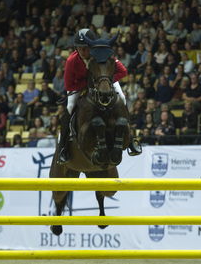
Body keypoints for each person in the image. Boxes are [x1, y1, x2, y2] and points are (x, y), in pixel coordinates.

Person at [58, 28, 141, 164]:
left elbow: (123, 71)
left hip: (105, 82)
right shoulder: (71, 61)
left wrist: (106, 80)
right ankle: (63, 147)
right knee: (70, 107)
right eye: (80, 49)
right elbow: (69, 85)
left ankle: (131, 140)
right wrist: (89, 84)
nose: (84, 52)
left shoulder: (103, 54)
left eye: (87, 48)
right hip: (78, 87)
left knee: (123, 98)